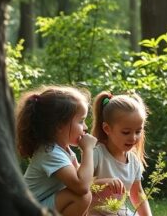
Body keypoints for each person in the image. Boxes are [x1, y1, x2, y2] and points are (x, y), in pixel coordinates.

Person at [16, 85, 97, 215]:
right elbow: (82, 186)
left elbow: (82, 178)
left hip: (38, 207)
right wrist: (88, 150)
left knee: (83, 195)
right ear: (59, 125)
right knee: (81, 196)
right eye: (81, 121)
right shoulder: (50, 152)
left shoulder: (63, 150)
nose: (85, 127)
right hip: (26, 211)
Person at [89, 91, 152, 216]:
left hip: (119, 212)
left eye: (138, 131)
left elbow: (137, 194)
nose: (133, 138)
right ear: (107, 129)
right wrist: (103, 182)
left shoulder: (133, 160)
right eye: (126, 132)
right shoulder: (97, 154)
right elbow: (79, 185)